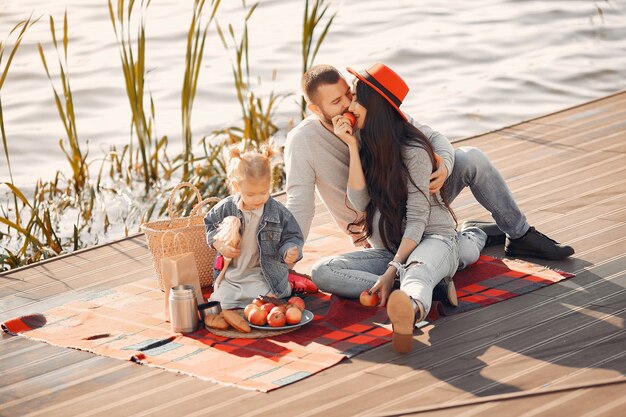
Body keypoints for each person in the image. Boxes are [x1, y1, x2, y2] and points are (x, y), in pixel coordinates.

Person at [284, 64, 574, 262]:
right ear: (314, 108)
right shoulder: (303, 142)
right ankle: (473, 234)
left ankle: (520, 234)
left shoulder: (370, 112)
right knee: (453, 257)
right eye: (337, 102)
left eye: (349, 93)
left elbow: (434, 136)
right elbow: (300, 204)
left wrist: (446, 165)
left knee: (471, 157)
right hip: (378, 229)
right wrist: (287, 256)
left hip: (415, 203)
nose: (348, 104)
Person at [311, 62, 484, 353]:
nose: (349, 105)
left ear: (374, 105)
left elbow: (417, 220)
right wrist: (352, 147)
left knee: (418, 267)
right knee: (323, 271)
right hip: (392, 246)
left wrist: (392, 270)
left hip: (431, 237)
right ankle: (434, 284)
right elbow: (359, 202)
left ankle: (412, 309)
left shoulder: (413, 151)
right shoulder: (367, 143)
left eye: (355, 97)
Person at [203, 145, 313, 310]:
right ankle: (285, 284)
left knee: (268, 300)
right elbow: (209, 223)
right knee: (220, 304)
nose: (257, 199)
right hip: (232, 277)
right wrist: (219, 244)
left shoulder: (277, 212)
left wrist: (291, 249)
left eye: (263, 192)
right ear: (236, 187)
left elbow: (293, 236)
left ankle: (289, 283)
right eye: (250, 194)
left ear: (270, 184)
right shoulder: (227, 208)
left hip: (263, 275)